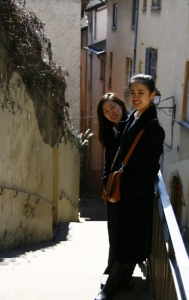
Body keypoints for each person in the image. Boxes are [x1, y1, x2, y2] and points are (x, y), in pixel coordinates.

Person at [95, 74, 165, 300]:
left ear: (152, 96)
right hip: (122, 195)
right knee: (120, 239)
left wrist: (126, 192)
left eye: (141, 93)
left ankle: (110, 287)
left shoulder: (153, 127)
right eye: (132, 93)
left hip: (133, 199)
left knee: (127, 242)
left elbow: (149, 170)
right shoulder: (134, 117)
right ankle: (121, 279)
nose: (135, 97)